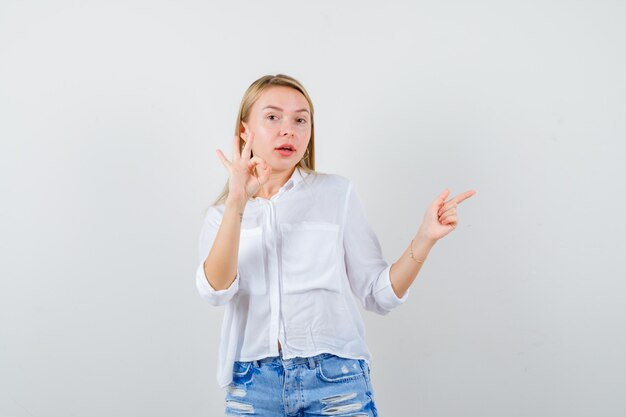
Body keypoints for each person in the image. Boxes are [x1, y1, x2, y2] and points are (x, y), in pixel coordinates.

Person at [195, 74, 476, 416]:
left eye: (301, 119)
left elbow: (379, 293)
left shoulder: (336, 194)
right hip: (254, 387)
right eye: (273, 117)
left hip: (335, 380)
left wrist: (425, 238)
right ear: (244, 131)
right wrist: (238, 201)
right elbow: (215, 291)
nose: (289, 130)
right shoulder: (222, 215)